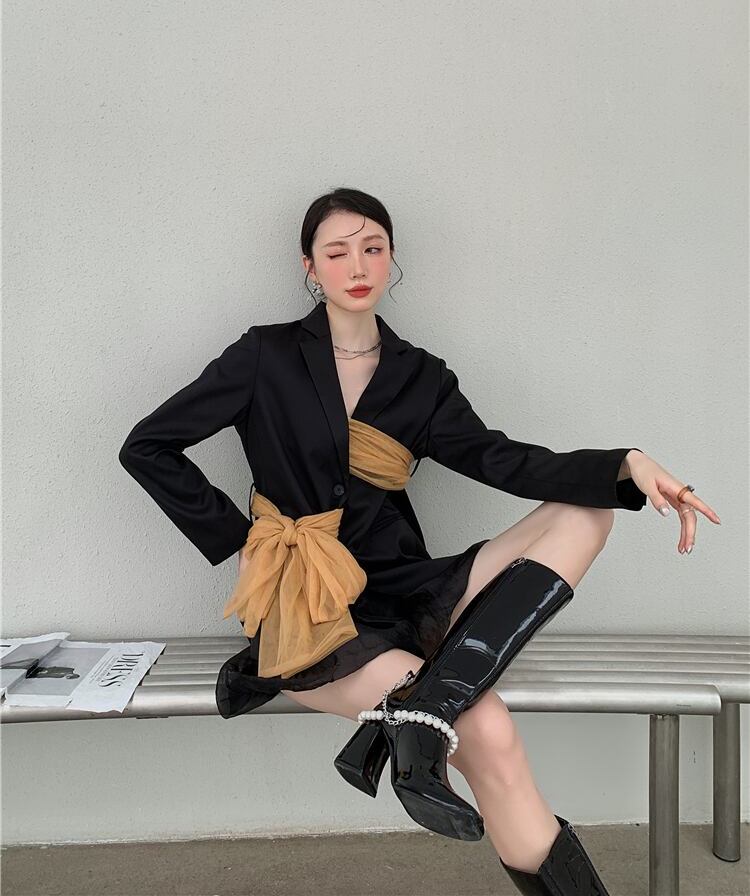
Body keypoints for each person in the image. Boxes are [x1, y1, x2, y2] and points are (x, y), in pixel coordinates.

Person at [119, 187, 720, 895]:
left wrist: (630, 464)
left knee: (590, 513)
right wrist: (242, 538)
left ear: (391, 257)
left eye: (372, 248)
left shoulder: (420, 376)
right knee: (488, 728)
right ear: (310, 266)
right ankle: (430, 712)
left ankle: (425, 711)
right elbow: (148, 446)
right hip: (310, 608)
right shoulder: (266, 355)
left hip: (406, 590)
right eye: (337, 252)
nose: (356, 266)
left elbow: (505, 460)